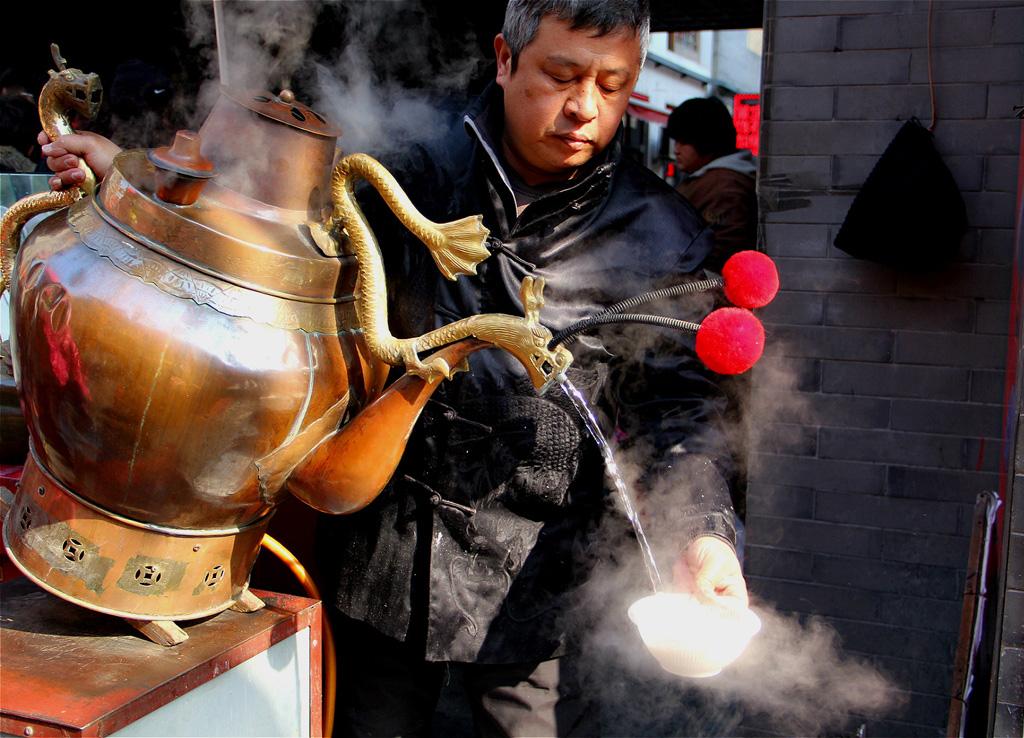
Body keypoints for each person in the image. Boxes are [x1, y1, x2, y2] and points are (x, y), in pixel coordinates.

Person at [41, 3, 749, 735]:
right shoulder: (410, 155)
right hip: (387, 543)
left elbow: (683, 414)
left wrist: (704, 532)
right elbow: (264, 220)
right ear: (505, 58)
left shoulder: (661, 234)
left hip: (536, 573)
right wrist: (130, 176)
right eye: (562, 75)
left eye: (613, 85)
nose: (584, 109)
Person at [667, 96, 758, 273]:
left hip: (702, 292)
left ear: (705, 141)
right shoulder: (715, 179)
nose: (676, 149)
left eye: (684, 141)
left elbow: (723, 252)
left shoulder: (725, 186)